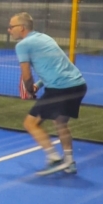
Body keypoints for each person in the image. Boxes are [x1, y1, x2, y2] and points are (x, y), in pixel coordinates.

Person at [9, 12, 88, 175]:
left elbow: (26, 76)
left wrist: (30, 90)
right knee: (60, 123)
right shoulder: (45, 38)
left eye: (11, 27)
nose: (9, 30)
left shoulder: (22, 46)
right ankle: (69, 161)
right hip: (78, 85)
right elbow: (57, 66)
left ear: (21, 28)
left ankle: (53, 159)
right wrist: (39, 85)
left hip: (60, 88)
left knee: (30, 124)